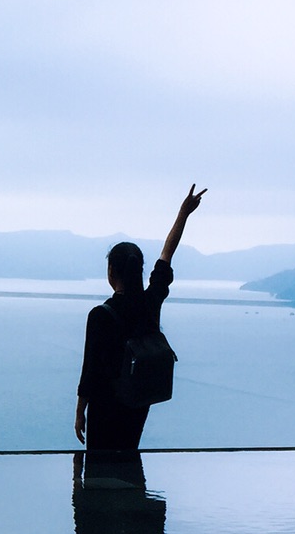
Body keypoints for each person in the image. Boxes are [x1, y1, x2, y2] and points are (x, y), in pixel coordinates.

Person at [75, 185, 206, 453]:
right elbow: (167, 255)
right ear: (139, 270)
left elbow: (90, 372)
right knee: (129, 456)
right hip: (137, 402)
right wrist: (183, 214)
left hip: (105, 409)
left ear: (111, 271)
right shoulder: (150, 303)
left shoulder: (100, 315)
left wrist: (80, 413)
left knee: (101, 471)